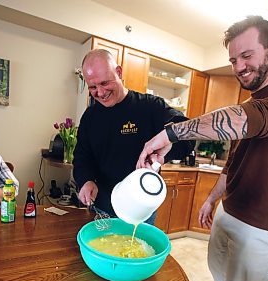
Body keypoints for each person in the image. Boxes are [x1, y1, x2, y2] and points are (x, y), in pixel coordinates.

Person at [136, 16, 268, 281]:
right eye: (233, 59)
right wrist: (211, 199)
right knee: (218, 268)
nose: (238, 66)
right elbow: (234, 161)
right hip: (231, 210)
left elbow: (247, 120)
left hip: (267, 222)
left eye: (247, 55)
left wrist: (170, 134)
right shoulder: (248, 102)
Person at [73, 49, 194, 225]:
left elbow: (187, 136)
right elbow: (82, 156)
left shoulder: (150, 106)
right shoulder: (90, 116)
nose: (100, 92)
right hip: (101, 207)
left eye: (104, 83)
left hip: (141, 210)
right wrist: (86, 180)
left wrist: (164, 152)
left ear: (119, 72)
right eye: (92, 87)